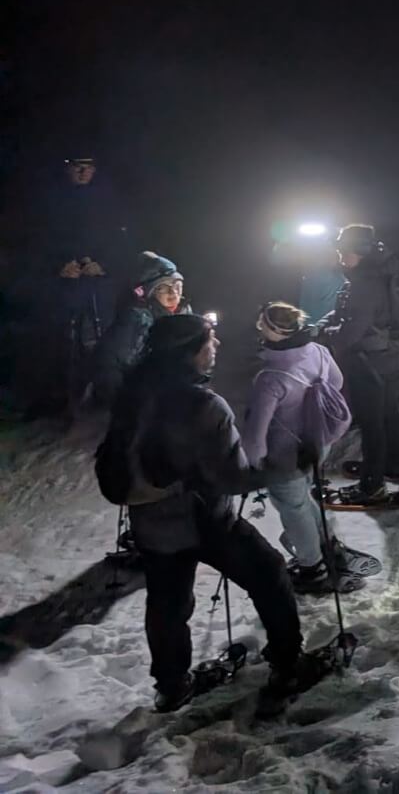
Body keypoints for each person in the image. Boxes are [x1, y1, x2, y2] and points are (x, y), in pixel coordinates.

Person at [111, 313, 322, 712]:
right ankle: (289, 665)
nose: (217, 345)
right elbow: (231, 478)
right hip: (204, 522)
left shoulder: (134, 394)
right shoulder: (204, 406)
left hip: (151, 525)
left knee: (168, 604)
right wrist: (289, 466)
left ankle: (172, 686)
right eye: (210, 340)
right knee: (270, 573)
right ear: (190, 352)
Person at [241, 303, 368, 594]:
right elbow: (336, 381)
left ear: (274, 331)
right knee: (303, 499)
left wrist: (253, 463)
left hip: (284, 456)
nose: (259, 327)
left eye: (262, 323)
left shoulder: (270, 378)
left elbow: (256, 435)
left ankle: (312, 567)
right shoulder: (318, 351)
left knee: (293, 509)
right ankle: (328, 544)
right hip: (316, 444)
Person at [317, 224, 399, 506]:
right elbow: (353, 314)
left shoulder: (365, 284)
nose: (341, 256)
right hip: (386, 357)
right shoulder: (380, 272)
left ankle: (373, 485)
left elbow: (352, 332)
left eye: (345, 251)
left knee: (371, 423)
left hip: (367, 361)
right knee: (387, 413)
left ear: (360, 252)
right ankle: (393, 463)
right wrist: (328, 323)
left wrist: (326, 336)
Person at [37, 156, 127, 412]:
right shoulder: (51, 201)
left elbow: (124, 241)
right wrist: (59, 266)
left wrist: (103, 264)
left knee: (103, 339)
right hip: (64, 286)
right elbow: (38, 242)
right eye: (77, 165)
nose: (83, 171)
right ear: (68, 167)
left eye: (88, 166)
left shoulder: (111, 200)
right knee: (64, 342)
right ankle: (63, 401)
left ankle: (104, 398)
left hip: (101, 285)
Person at [88, 251, 191, 411]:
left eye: (178, 286)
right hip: (139, 398)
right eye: (163, 288)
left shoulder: (185, 314)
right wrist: (124, 403)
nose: (173, 294)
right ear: (149, 293)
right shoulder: (137, 320)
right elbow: (109, 362)